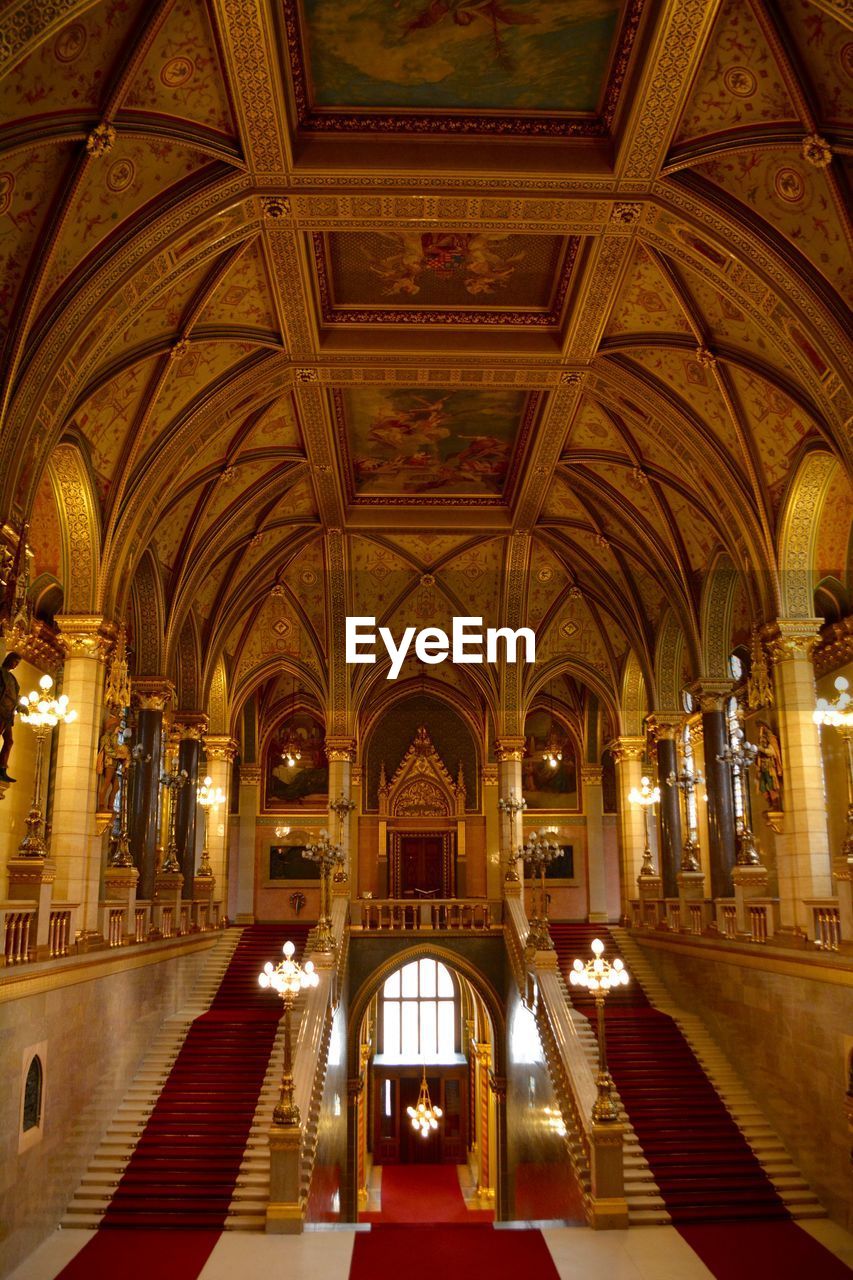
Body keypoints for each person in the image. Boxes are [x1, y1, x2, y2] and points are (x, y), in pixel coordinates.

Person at [0, 652, 22, 783]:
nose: (15, 665)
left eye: (17, 663)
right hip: (0, 711)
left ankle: (2, 768)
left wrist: (20, 706)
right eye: (14, 661)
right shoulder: (1, 673)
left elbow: (14, 696)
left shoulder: (12, 678)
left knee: (9, 741)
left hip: (8, 714)